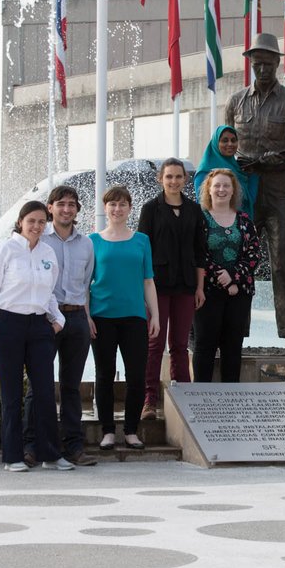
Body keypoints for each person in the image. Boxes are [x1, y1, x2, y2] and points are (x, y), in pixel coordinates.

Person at [224, 32, 285, 351]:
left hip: (280, 192)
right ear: (250, 64)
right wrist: (235, 159)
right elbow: (225, 143)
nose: (262, 69)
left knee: (282, 262)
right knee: (238, 262)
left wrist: (283, 156)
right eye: (257, 63)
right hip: (246, 191)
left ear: (277, 64)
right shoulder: (235, 101)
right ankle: (234, 332)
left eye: (268, 64)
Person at [0, 200, 72, 472]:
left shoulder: (48, 253)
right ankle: (13, 456)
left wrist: (59, 320)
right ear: (21, 222)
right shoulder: (4, 250)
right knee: (12, 393)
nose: (37, 226)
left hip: (40, 326)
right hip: (8, 325)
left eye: (42, 222)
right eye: (32, 221)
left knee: (44, 392)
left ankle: (50, 454)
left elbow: (50, 293)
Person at [21, 185, 98, 467]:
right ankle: (31, 447)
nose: (66, 209)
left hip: (77, 319)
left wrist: (87, 316)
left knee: (71, 387)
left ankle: (74, 447)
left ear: (77, 209)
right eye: (60, 204)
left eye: (72, 204)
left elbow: (86, 284)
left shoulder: (87, 244)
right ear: (50, 207)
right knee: (37, 387)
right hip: (45, 321)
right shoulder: (41, 241)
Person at [89, 186, 160, 451]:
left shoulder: (141, 240)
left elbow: (148, 280)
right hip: (102, 316)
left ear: (130, 208)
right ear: (105, 208)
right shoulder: (93, 241)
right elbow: (86, 283)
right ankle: (107, 430)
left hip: (134, 317)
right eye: (112, 204)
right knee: (104, 374)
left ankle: (131, 430)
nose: (117, 209)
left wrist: (155, 316)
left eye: (122, 204)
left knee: (136, 376)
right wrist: (86, 316)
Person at [137, 158, 206, 421]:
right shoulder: (150, 209)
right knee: (154, 344)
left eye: (178, 177)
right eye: (169, 177)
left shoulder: (194, 210)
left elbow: (200, 253)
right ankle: (149, 400)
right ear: (160, 179)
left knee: (179, 344)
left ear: (185, 180)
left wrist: (200, 288)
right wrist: (144, 290)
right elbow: (143, 251)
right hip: (158, 286)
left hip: (187, 285)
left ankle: (183, 399)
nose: (174, 181)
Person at [193, 168, 261, 383]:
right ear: (209, 190)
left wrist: (233, 276)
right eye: (217, 186)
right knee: (205, 344)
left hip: (239, 293)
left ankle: (231, 396)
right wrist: (221, 279)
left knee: (233, 345)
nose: (221, 190)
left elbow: (254, 253)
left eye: (226, 186)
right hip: (207, 292)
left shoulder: (244, 220)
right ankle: (200, 397)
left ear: (233, 191)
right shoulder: (199, 219)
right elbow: (196, 253)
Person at [195, 125, 257, 218]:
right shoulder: (205, 171)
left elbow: (249, 200)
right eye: (225, 140)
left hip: (241, 224)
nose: (230, 144)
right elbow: (203, 204)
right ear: (216, 143)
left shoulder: (239, 168)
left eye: (233, 140)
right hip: (214, 226)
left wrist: (253, 174)